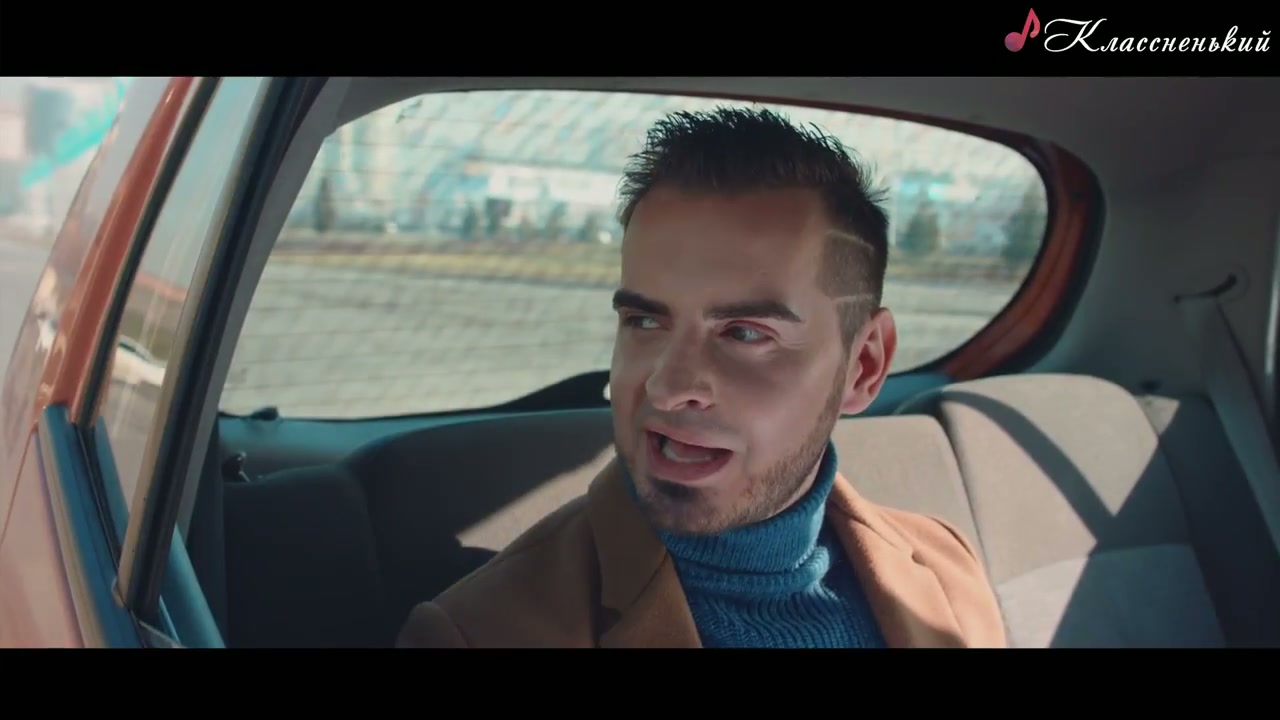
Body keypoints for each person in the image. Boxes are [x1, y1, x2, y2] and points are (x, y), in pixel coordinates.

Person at [397, 106, 1006, 648]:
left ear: (864, 366)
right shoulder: (479, 632)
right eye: (644, 321)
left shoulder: (947, 568)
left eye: (745, 334)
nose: (666, 388)